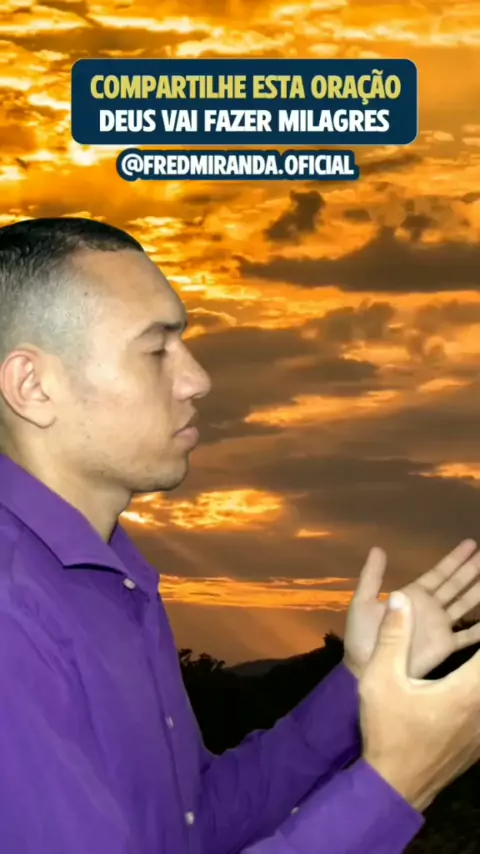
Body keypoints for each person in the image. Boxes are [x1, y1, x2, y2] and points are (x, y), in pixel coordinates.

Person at [0, 216, 479, 854]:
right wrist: (398, 784)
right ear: (33, 386)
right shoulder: (12, 614)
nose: (197, 379)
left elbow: (196, 821)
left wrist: (357, 681)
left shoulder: (114, 577)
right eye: (156, 349)